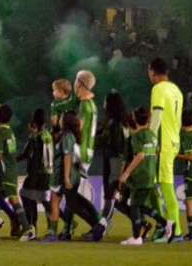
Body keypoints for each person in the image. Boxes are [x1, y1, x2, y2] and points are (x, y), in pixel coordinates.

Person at [44, 110, 104, 242]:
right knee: (70, 203)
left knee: (72, 205)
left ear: (65, 122)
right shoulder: (65, 135)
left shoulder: (67, 136)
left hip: (66, 176)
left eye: (61, 118)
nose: (58, 119)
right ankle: (54, 233)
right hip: (65, 175)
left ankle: (96, 226)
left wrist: (65, 177)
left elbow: (68, 156)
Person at [117, 107, 168, 246]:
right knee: (139, 206)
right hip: (150, 175)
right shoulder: (152, 135)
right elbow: (155, 153)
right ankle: (166, 223)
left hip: (140, 175)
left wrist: (126, 173)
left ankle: (136, 237)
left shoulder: (137, 137)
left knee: (134, 207)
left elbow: (140, 155)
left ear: (134, 118)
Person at [0, 104, 36, 242]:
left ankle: (27, 229)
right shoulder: (10, 132)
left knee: (12, 199)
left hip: (3, 172)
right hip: (10, 170)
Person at [148, 57, 183, 241]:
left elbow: (157, 115)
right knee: (160, 184)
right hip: (174, 141)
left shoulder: (158, 89)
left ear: (152, 72)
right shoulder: (176, 90)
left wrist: (149, 138)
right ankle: (166, 227)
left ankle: (175, 231)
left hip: (163, 143)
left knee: (166, 186)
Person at [18, 108, 53, 234]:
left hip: (37, 173)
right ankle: (51, 228)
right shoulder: (47, 134)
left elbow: (28, 154)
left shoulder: (36, 137)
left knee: (25, 195)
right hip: (48, 173)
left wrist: (12, 160)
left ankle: (32, 226)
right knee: (44, 200)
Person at [98, 91, 129, 224]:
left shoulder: (115, 124)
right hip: (109, 159)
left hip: (115, 161)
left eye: (106, 101)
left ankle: (102, 226)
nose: (103, 104)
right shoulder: (111, 122)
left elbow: (118, 147)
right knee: (110, 195)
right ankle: (141, 223)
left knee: (111, 193)